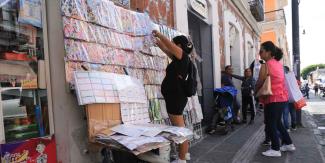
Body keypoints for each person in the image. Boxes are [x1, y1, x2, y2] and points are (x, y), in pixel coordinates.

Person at [153, 30, 192, 163]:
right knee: (178, 128)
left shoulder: (183, 56)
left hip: (176, 98)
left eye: (175, 44)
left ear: (179, 46)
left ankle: (182, 160)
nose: (172, 46)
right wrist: (158, 43)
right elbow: (167, 50)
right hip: (174, 98)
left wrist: (159, 34)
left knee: (180, 130)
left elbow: (169, 46)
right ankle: (183, 156)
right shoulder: (178, 59)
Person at [256, 41, 295, 157]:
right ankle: (288, 143)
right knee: (278, 123)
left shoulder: (266, 65)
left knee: (271, 123)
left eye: (261, 51)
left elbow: (260, 81)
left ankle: (275, 148)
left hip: (273, 98)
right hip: (282, 97)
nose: (260, 54)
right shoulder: (278, 64)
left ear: (268, 52)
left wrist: (255, 90)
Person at [282, 66, 297, 132]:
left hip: (284, 98)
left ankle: (287, 128)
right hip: (292, 98)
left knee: (285, 114)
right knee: (292, 113)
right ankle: (293, 126)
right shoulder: (292, 78)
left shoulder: (281, 77)